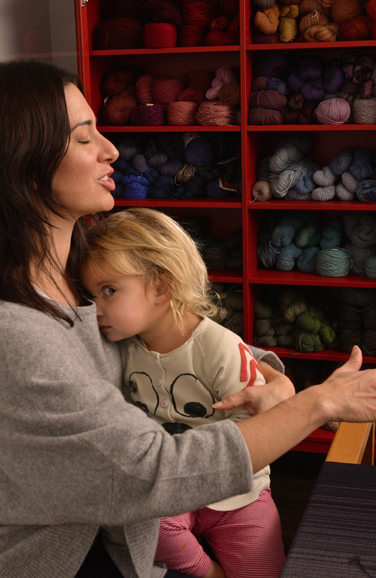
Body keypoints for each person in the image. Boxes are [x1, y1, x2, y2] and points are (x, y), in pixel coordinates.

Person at [1, 59, 376, 578]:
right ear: (25, 162)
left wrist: (269, 376)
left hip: (127, 541)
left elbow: (174, 333)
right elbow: (150, 471)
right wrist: (319, 403)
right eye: (85, 137)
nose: (111, 148)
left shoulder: (79, 276)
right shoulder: (15, 333)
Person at [80, 207, 287, 578]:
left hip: (239, 493)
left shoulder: (219, 346)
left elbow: (257, 423)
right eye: (91, 295)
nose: (95, 309)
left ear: (162, 286)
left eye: (109, 291)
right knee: (140, 526)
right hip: (171, 487)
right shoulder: (123, 346)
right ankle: (210, 573)